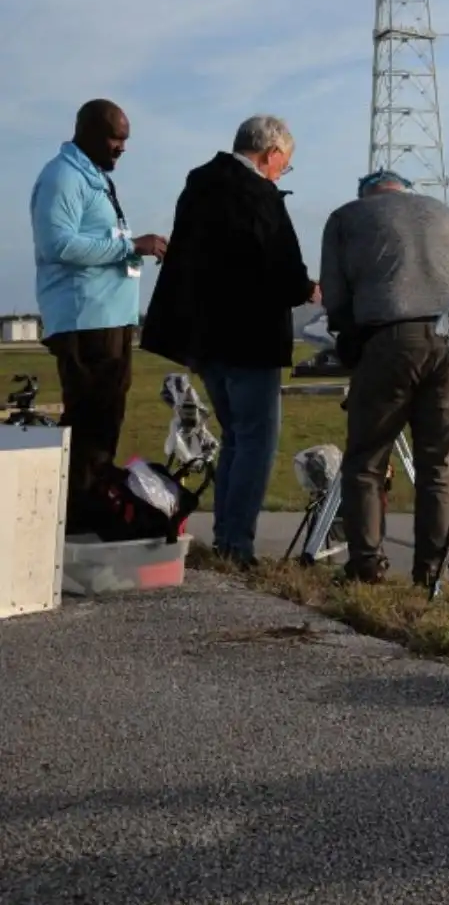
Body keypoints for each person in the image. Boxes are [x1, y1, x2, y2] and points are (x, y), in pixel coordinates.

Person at [140, 115, 321, 566]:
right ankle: (236, 543)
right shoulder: (259, 194)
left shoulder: (199, 185)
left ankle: (227, 537)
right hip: (251, 338)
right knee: (256, 441)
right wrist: (308, 290)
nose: (282, 173)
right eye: (285, 165)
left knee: (234, 437)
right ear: (271, 154)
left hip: (203, 338)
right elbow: (281, 267)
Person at [319, 169, 449, 585]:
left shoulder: (345, 217)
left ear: (366, 194)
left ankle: (366, 565)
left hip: (388, 338)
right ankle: (432, 572)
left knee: (367, 461)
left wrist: (348, 338)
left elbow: (335, 295)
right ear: (408, 193)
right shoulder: (448, 214)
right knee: (440, 465)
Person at [29, 100, 167, 532]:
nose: (121, 147)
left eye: (125, 139)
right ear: (85, 131)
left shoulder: (94, 179)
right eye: (114, 137)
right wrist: (131, 246)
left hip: (107, 319)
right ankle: (76, 523)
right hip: (85, 320)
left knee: (104, 421)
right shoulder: (63, 177)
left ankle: (88, 513)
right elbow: (59, 246)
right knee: (90, 424)